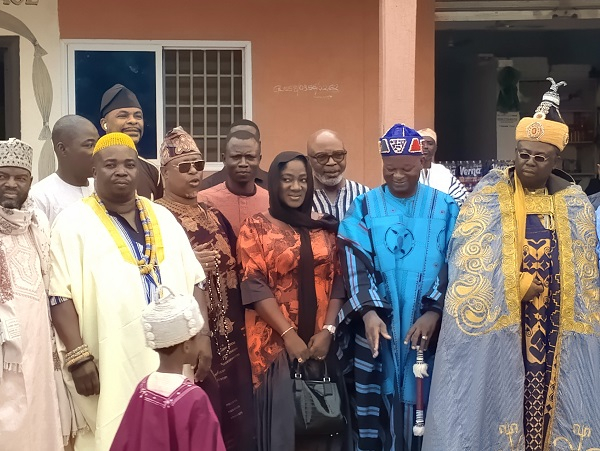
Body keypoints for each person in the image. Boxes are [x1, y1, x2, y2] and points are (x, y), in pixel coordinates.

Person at [424, 79, 600, 450]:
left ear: (556, 160)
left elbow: (586, 277)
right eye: (522, 154)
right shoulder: (487, 196)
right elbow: (468, 264)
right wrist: (515, 286)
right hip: (504, 327)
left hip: (558, 326)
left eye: (539, 157)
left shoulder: (576, 203)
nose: (529, 163)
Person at [49, 132, 210, 451]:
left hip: (173, 357)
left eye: (129, 164)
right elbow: (58, 295)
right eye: (110, 164)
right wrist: (78, 357)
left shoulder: (163, 217)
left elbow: (196, 280)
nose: (120, 171)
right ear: (94, 171)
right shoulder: (71, 223)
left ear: (139, 170)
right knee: (114, 433)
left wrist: (202, 334)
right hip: (109, 357)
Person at [337, 124, 459, 451]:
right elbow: (353, 260)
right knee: (381, 403)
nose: (398, 176)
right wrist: (369, 312)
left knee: (431, 404)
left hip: (430, 327)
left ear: (423, 163)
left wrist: (434, 311)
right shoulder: (363, 206)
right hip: (382, 326)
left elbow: (458, 262)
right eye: (390, 169)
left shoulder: (447, 208)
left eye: (407, 168)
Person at [237, 152, 348, 451]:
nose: (296, 186)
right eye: (287, 179)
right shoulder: (255, 228)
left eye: (302, 180)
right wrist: (288, 336)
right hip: (274, 349)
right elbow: (254, 285)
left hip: (319, 346)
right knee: (284, 432)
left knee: (325, 427)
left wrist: (328, 330)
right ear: (274, 183)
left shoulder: (325, 227)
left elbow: (339, 280)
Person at [155, 127, 255, 451]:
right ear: (165, 173)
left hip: (232, 334)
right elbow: (148, 269)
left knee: (238, 419)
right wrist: (185, 260)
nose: (194, 173)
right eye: (184, 167)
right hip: (189, 336)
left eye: (198, 165)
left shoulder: (213, 214)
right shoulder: (156, 217)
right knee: (196, 417)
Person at [0, 138, 63, 450]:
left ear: (30, 182)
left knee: (39, 420)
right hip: (3, 350)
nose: (11, 184)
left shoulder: (38, 225)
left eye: (19, 177)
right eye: (3, 176)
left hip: (38, 347)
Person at [111, 287, 226, 451]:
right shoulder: (195, 398)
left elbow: (123, 443)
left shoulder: (142, 389)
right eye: (197, 338)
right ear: (186, 346)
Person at [30, 115, 99, 224]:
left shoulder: (101, 189)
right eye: (90, 145)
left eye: (97, 144)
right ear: (62, 149)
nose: (97, 151)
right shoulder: (40, 197)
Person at [198, 130, 269, 235]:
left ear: (259, 159)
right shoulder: (204, 201)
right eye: (236, 157)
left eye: (250, 157)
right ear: (224, 159)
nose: (243, 164)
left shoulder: (270, 202)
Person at [100, 84, 163, 200]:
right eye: (123, 116)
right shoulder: (93, 166)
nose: (133, 121)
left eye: (138, 116)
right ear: (104, 124)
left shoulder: (152, 171)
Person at [307, 129, 369, 220]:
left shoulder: (364, 195)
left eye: (338, 155)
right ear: (309, 160)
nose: (331, 162)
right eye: (322, 157)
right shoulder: (300, 198)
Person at [200, 119, 268, 190]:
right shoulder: (207, 187)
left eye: (249, 137)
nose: (242, 142)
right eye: (236, 136)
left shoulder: (274, 184)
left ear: (259, 145)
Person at [417, 128, 467, 206]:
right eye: (422, 143)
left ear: (435, 148)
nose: (425, 147)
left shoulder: (443, 172)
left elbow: (462, 199)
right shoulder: (409, 171)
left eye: (430, 143)